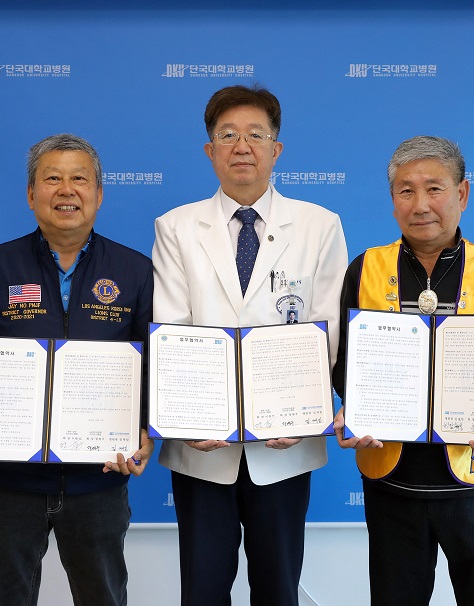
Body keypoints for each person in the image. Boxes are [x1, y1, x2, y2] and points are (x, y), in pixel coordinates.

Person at [0, 133, 154, 606]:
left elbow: (154, 365)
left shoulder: (135, 270)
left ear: (99, 194)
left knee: (104, 598)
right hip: (8, 484)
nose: (66, 190)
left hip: (98, 480)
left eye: (79, 179)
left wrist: (146, 430)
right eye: (52, 179)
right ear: (31, 194)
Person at [332, 135, 474, 606]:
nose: (420, 205)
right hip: (392, 484)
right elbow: (344, 363)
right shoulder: (365, 270)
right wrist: (356, 407)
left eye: (434, 189)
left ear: (462, 193)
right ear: (392, 199)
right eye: (406, 190)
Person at [152, 84, 348, 606]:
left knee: (278, 589)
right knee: (203, 590)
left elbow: (328, 328)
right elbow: (172, 327)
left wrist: (302, 412)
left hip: (286, 445)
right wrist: (192, 415)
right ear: (209, 150)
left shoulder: (319, 225)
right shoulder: (175, 227)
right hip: (201, 446)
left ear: (276, 149)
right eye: (228, 135)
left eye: (256, 135)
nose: (242, 146)